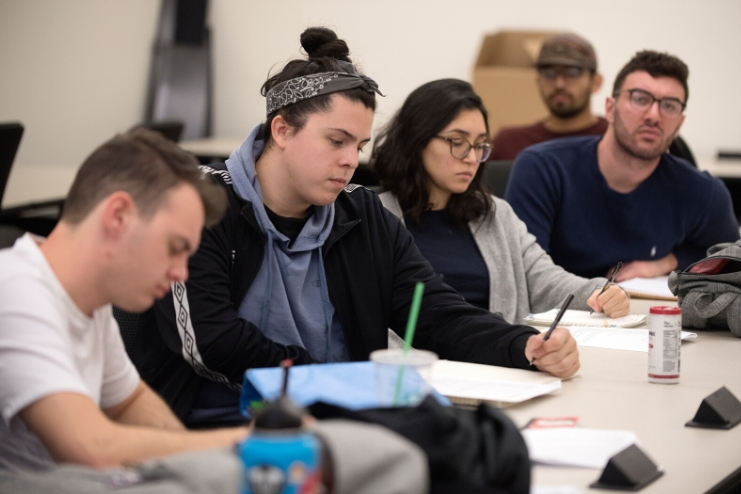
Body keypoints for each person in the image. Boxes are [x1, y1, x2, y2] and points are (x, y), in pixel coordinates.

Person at [142, 27, 580, 427]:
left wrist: (522, 345)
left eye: (359, 145)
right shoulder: (202, 204)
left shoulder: (360, 212)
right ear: (281, 130)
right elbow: (210, 340)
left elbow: (433, 313)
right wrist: (331, 382)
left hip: (345, 420)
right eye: (336, 141)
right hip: (226, 424)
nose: (351, 160)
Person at [0, 129, 428, 494]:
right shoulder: (17, 293)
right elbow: (90, 447)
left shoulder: (84, 304)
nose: (180, 272)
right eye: (174, 248)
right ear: (117, 216)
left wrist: (201, 462)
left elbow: (131, 403)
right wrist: (253, 445)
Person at [371, 78, 629, 325]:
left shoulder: (494, 214)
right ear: (417, 141)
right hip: (417, 366)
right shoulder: (377, 219)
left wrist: (602, 291)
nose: (471, 157)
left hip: (499, 361)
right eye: (458, 142)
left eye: (480, 145)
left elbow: (546, 281)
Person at [505, 50, 739, 281]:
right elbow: (525, 273)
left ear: (679, 124)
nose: (654, 115)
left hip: (650, 316)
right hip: (555, 316)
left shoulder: (704, 192)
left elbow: (730, 263)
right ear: (610, 108)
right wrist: (607, 296)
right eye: (640, 99)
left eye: (669, 105)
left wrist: (667, 262)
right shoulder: (543, 169)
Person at [489, 32, 606, 161]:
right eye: (549, 73)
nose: (559, 84)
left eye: (572, 72)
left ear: (596, 82)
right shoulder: (509, 144)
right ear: (537, 82)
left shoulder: (615, 139)